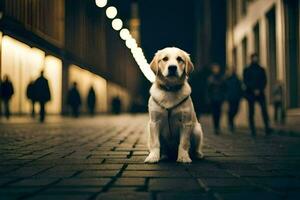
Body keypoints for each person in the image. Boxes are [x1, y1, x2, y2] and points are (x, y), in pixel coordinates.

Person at [243, 53, 271, 136]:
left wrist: (259, 89)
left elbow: (264, 80)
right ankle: (252, 129)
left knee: (264, 110)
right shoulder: (247, 70)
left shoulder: (261, 69)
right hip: (250, 94)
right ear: (251, 59)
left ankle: (267, 127)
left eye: (256, 57)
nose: (255, 59)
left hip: (260, 93)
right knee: (251, 112)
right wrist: (253, 89)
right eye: (253, 58)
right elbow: (246, 81)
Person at [208, 64, 226, 134]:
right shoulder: (210, 78)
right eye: (215, 69)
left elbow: (224, 88)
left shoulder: (221, 78)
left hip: (219, 98)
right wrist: (209, 98)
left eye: (217, 68)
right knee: (214, 113)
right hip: (213, 98)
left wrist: (224, 96)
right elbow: (208, 89)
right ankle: (216, 127)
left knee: (219, 113)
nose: (216, 70)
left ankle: (217, 126)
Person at [225, 67, 243, 133]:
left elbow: (240, 87)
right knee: (231, 110)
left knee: (236, 110)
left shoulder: (237, 79)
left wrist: (241, 95)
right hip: (230, 97)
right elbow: (225, 88)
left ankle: (231, 120)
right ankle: (231, 122)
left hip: (236, 97)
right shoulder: (227, 79)